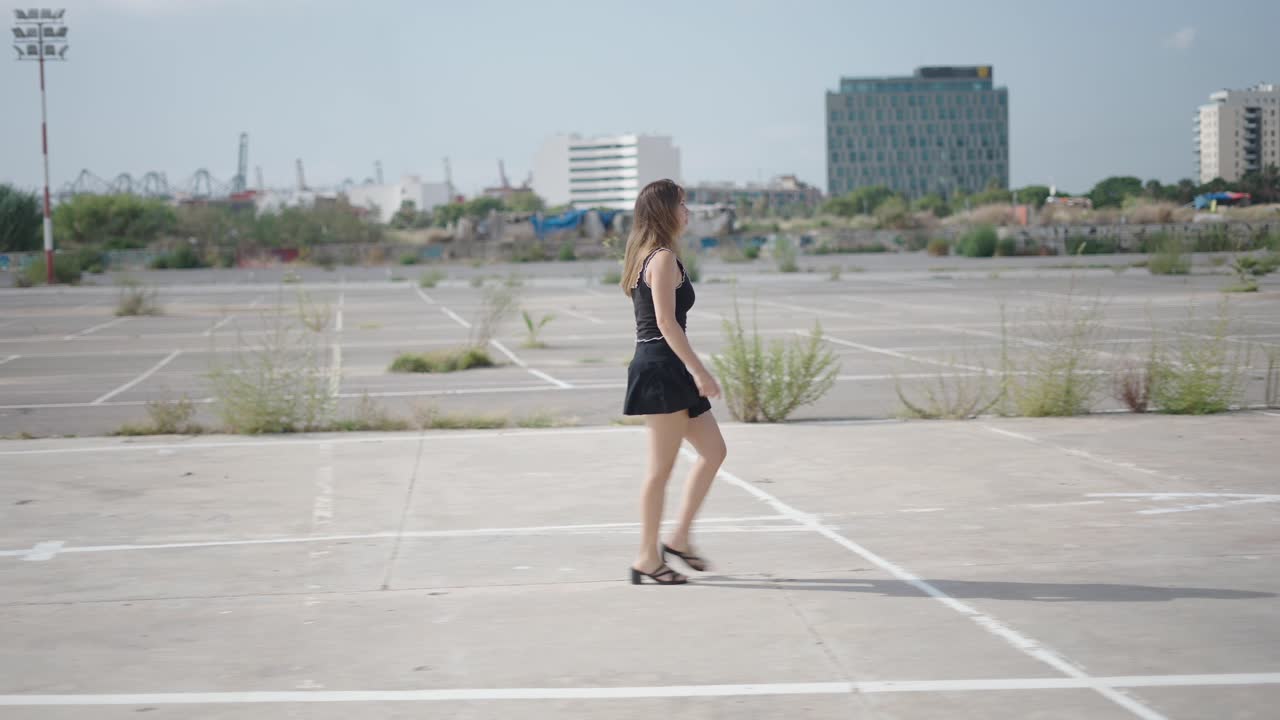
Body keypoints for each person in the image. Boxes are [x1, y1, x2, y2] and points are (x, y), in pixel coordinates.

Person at [619, 179, 727, 586]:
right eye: (682, 204)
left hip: (668, 366)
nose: (688, 211)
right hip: (661, 368)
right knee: (660, 470)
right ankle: (647, 558)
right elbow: (665, 323)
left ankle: (678, 538)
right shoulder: (660, 258)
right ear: (665, 211)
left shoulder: (653, 256)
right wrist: (700, 371)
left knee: (714, 451)